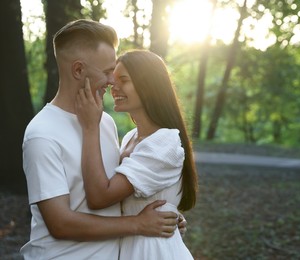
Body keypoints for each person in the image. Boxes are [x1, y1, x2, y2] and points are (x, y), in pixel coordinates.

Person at [21, 20, 182, 260]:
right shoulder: (42, 134)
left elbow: (117, 191)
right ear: (78, 70)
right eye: (107, 71)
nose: (112, 81)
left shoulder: (105, 122)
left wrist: (165, 214)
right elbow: (61, 224)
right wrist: (138, 224)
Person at [75, 49, 198, 259]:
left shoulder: (164, 142)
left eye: (124, 79)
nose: (114, 86)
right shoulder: (131, 138)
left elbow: (99, 196)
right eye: (114, 79)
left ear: (149, 86)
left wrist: (90, 127)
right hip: (131, 247)